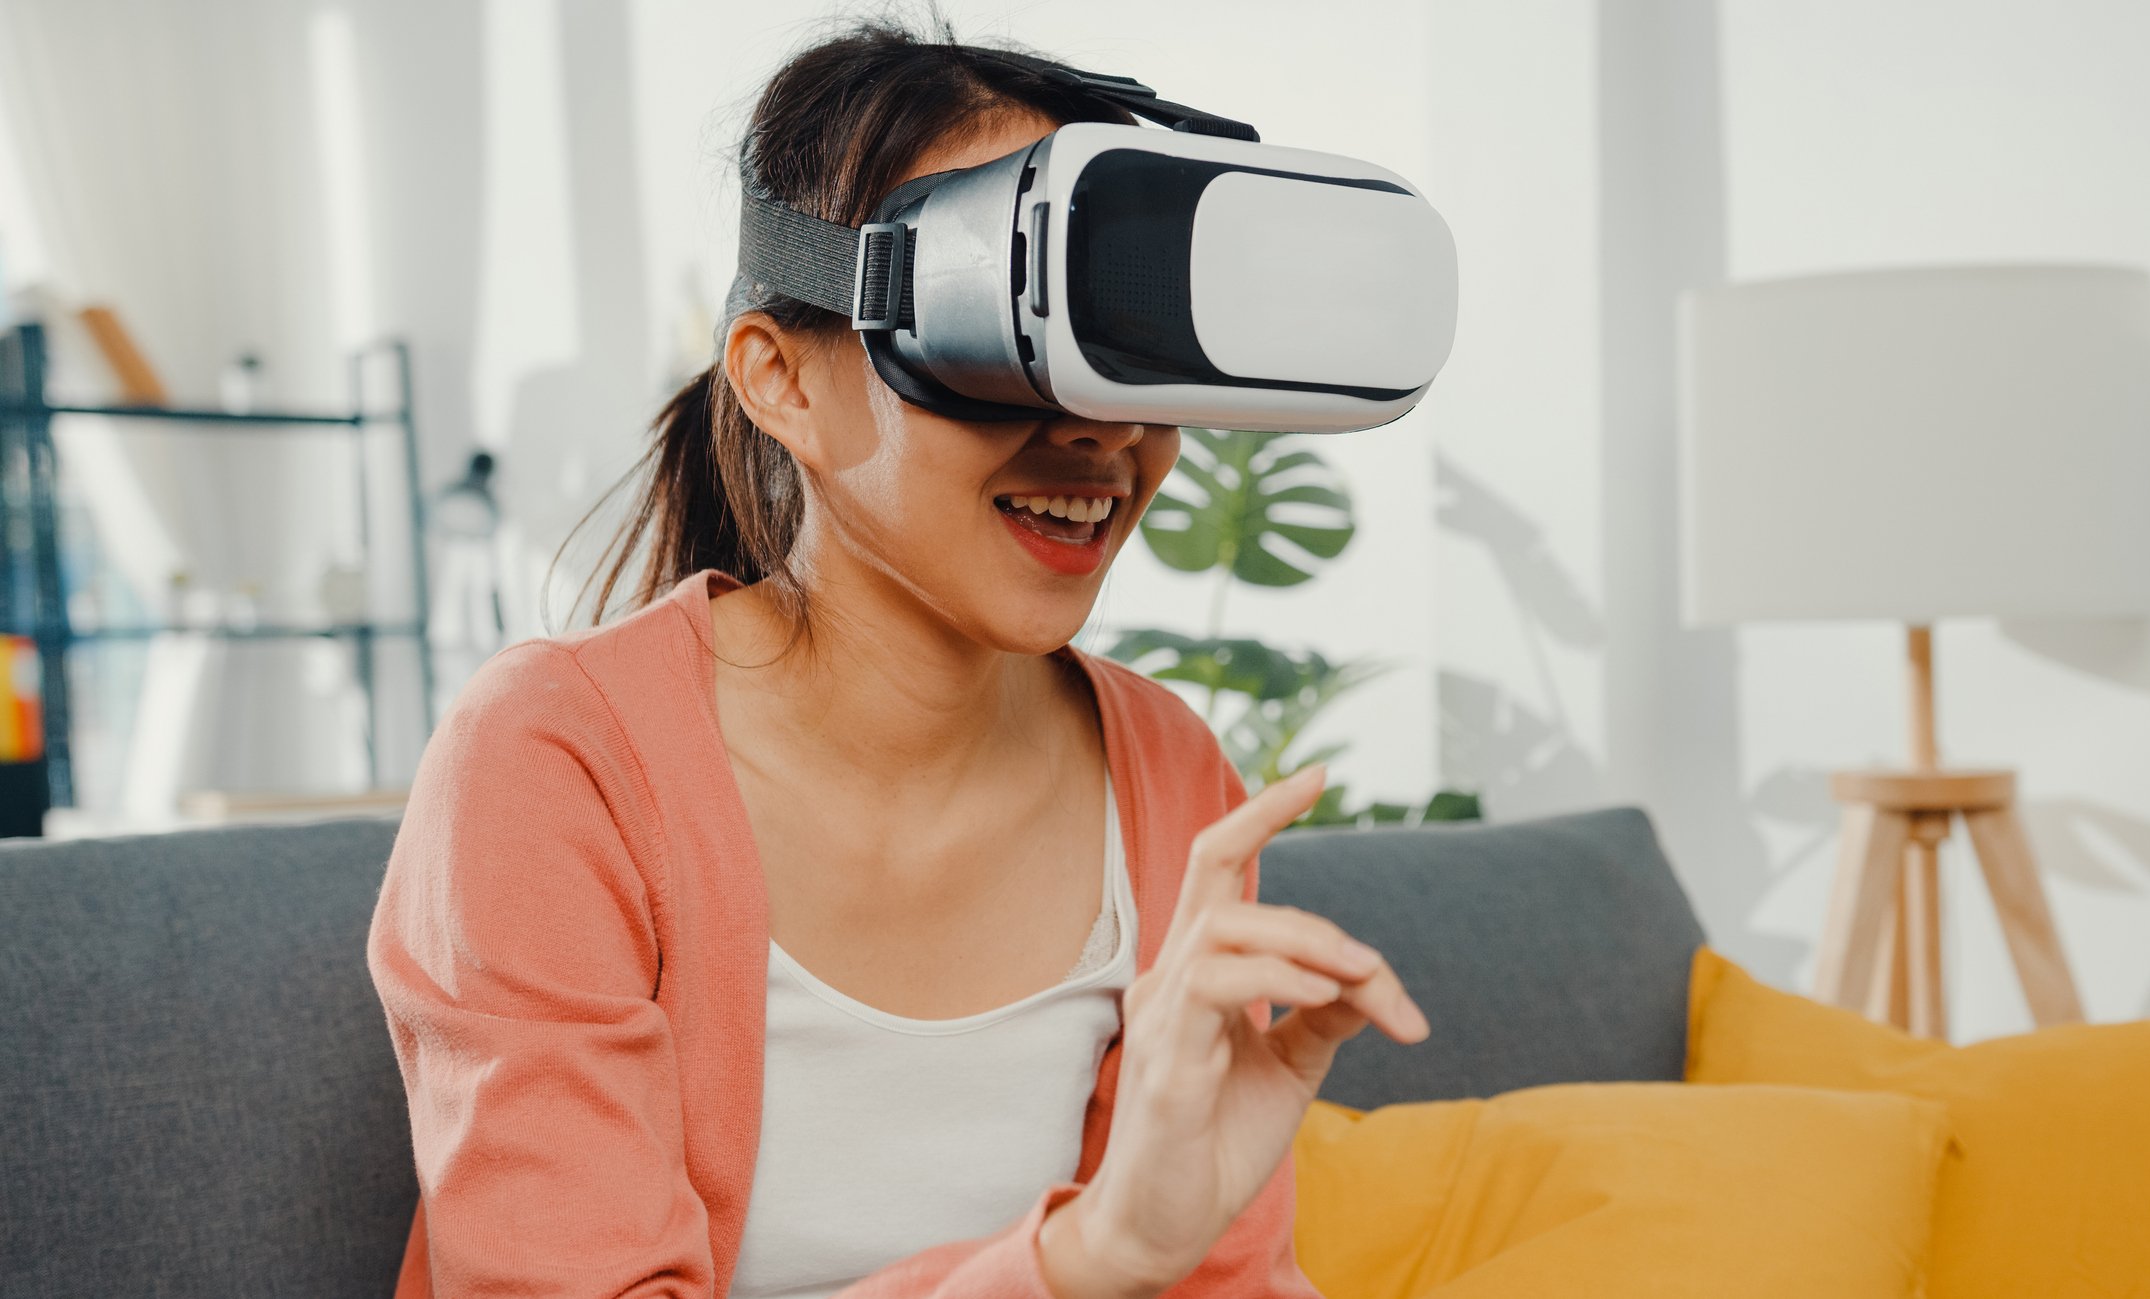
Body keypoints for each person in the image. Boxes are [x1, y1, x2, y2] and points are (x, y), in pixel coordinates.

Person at [367, 18, 1428, 1299]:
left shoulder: (1169, 775)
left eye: (1125, 355)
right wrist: (1081, 1262)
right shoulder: (554, 760)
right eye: (1003, 341)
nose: (1097, 440)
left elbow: (1215, 1273)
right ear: (781, 380)